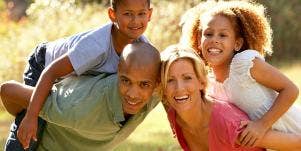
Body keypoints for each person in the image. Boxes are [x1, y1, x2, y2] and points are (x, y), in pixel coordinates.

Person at [4, 0, 153, 150]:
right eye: (128, 14)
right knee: (31, 128)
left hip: (74, 76)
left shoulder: (142, 49)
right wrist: (31, 116)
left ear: (150, 14)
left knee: (48, 116)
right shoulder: (96, 46)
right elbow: (50, 73)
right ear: (112, 15)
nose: (136, 21)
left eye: (141, 14)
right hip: (44, 66)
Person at [180, 0, 300, 148]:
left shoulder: (244, 64)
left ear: (237, 43)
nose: (214, 40)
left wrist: (261, 125)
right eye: (208, 34)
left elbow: (291, 89)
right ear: (199, 40)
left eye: (223, 35)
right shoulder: (210, 85)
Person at [0, 42, 161, 150]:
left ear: (157, 82)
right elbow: (7, 90)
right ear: (119, 71)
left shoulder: (161, 88)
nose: (133, 94)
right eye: (126, 81)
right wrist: (28, 116)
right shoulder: (76, 107)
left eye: (144, 84)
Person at [160, 44, 301, 151]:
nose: (179, 88)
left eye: (187, 78)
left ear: (202, 82)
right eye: (170, 80)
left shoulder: (228, 123)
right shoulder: (175, 116)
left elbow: (298, 142)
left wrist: (262, 125)